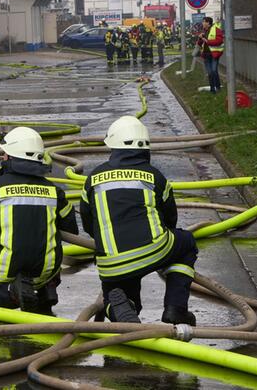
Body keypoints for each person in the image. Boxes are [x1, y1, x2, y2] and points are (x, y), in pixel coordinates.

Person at [78, 115, 198, 325]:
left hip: (111, 261)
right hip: (154, 249)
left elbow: (88, 223)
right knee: (186, 243)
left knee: (119, 297)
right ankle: (175, 308)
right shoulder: (155, 176)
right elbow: (170, 217)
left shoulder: (93, 178)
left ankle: (119, 308)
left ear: (113, 147)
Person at [0, 127, 78, 314]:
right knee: (49, 253)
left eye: (5, 153)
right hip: (45, 270)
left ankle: (12, 293)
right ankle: (46, 290)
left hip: (5, 267)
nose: (2, 157)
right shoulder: (54, 190)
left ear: (11, 157)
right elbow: (71, 230)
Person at [198, 17, 224, 93]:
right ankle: (212, 89)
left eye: (204, 22)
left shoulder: (216, 30)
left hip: (214, 54)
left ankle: (218, 87)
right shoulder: (204, 31)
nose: (203, 23)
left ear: (208, 23)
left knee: (214, 71)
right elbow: (200, 44)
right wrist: (200, 38)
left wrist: (207, 41)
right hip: (206, 54)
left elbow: (219, 41)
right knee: (209, 73)